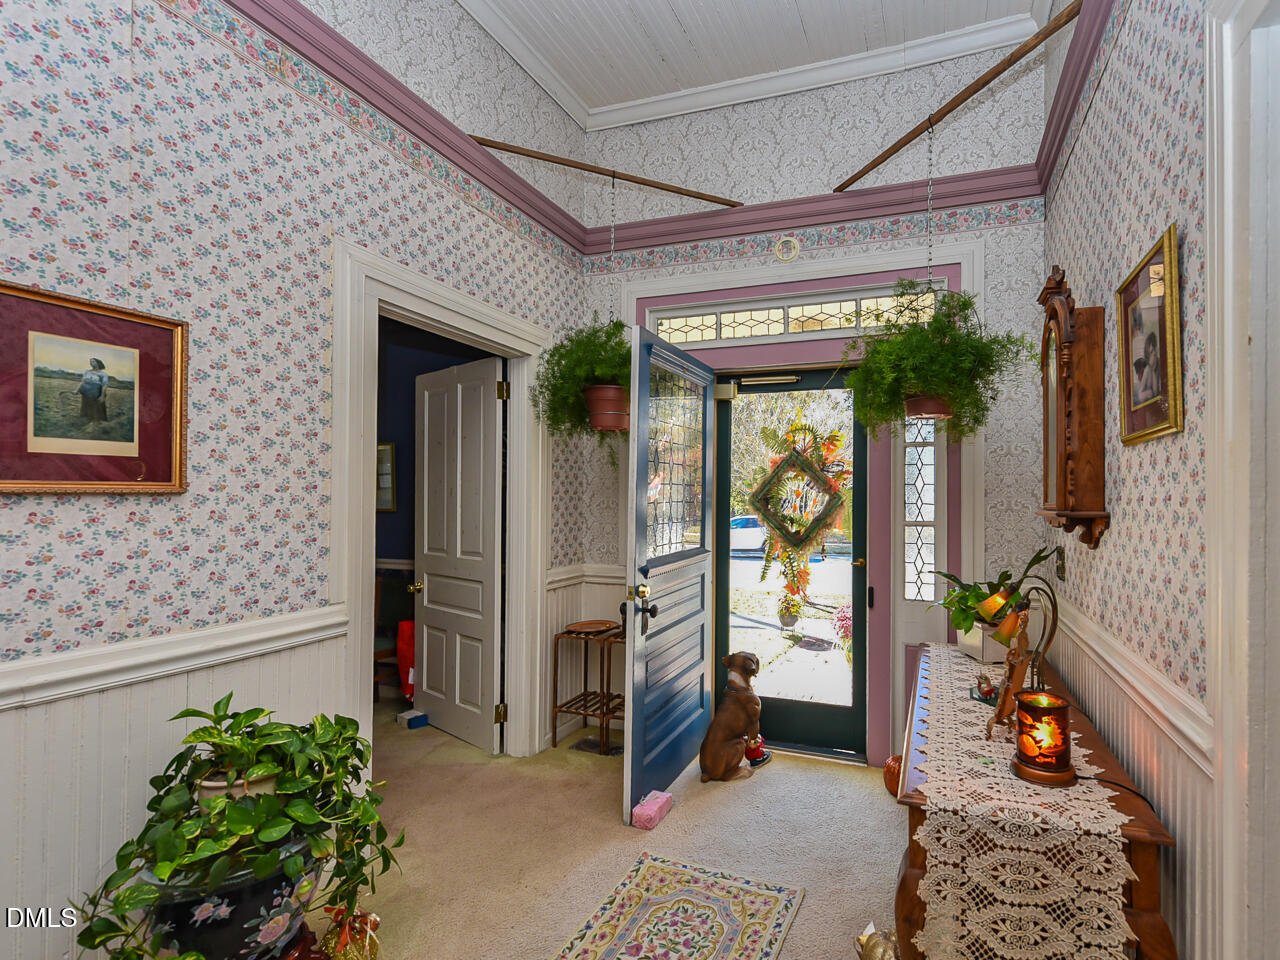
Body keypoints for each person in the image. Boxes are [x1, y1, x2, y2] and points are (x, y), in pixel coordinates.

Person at [78, 357, 109, 422]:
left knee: (97, 408)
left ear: (98, 363)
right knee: (85, 406)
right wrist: (77, 390)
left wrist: (102, 396)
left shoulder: (103, 374)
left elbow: (104, 385)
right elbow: (83, 381)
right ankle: (86, 419)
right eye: (90, 362)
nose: (91, 363)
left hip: (97, 393)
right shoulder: (87, 372)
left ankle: (98, 422)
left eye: (93, 361)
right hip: (87, 392)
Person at [1133, 332, 1160, 405]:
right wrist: (1148, 393)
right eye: (1151, 352)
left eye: (1155, 352)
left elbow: (1156, 391)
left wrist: (1153, 371)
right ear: (1148, 354)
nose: (1154, 355)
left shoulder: (1158, 365)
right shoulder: (1147, 369)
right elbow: (1140, 395)